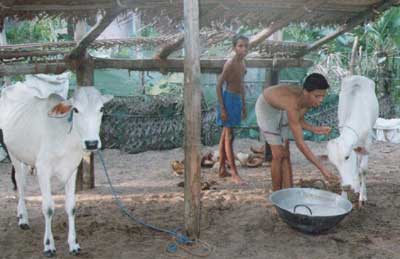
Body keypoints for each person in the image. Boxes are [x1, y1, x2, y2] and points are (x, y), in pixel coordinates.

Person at [255, 73, 339, 192]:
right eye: (317, 96)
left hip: (282, 108)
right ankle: (276, 194)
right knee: (278, 154)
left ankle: (289, 192)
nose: (321, 100)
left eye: (323, 96)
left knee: (286, 153)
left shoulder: (308, 101)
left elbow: (298, 120)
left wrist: (315, 129)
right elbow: (300, 143)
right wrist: (322, 169)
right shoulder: (292, 104)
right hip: (266, 107)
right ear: (306, 92)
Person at [216, 35, 249, 185]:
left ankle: (222, 169)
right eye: (240, 46)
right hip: (228, 99)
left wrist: (243, 105)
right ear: (234, 48)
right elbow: (218, 86)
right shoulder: (229, 64)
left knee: (227, 135)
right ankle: (234, 173)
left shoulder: (243, 64)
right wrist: (223, 108)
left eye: (245, 46)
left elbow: (241, 84)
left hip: (236, 100)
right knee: (228, 136)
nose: (243, 49)